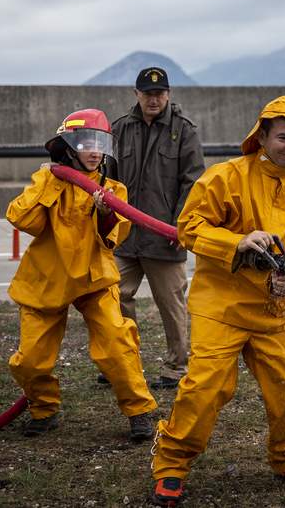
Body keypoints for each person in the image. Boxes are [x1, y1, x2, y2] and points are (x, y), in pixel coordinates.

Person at [149, 96, 285, 506]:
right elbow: (189, 229)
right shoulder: (225, 177)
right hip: (223, 306)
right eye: (283, 137)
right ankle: (171, 466)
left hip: (279, 311)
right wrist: (238, 241)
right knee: (204, 388)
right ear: (262, 136)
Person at [7, 108, 157, 441]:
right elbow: (21, 219)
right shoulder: (46, 180)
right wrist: (51, 180)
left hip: (94, 279)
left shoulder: (113, 188)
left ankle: (139, 413)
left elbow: (113, 237)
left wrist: (105, 213)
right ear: (67, 148)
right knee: (30, 360)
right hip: (47, 278)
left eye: (100, 143)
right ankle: (44, 410)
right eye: (86, 143)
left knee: (118, 345)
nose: (95, 151)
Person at [101, 66, 205, 390]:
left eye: (159, 93)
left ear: (168, 95)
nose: (153, 99)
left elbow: (194, 181)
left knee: (171, 305)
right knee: (114, 297)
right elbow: (109, 176)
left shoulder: (184, 130)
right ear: (136, 94)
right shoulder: (120, 128)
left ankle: (176, 366)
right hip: (126, 236)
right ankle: (123, 361)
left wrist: (179, 226)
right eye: (147, 93)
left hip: (165, 237)